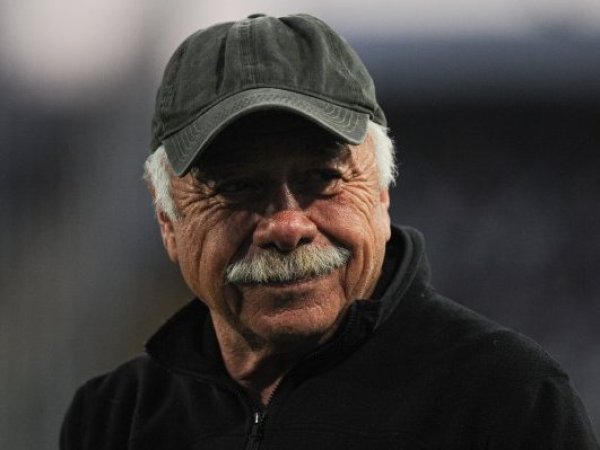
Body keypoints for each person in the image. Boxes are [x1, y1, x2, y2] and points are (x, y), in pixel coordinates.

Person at [60, 13, 599, 450]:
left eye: (322, 178)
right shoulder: (113, 416)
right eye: (237, 188)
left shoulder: (506, 400)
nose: (286, 226)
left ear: (382, 193)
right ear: (168, 222)